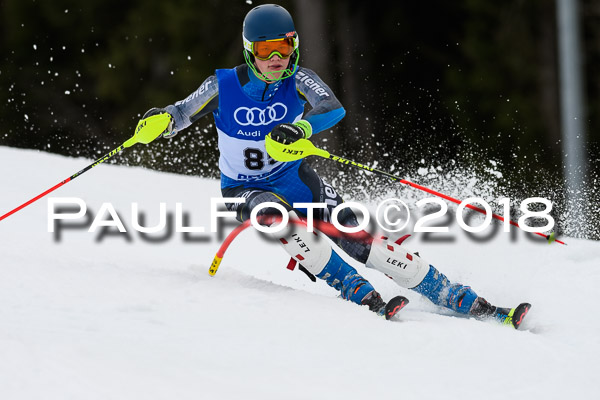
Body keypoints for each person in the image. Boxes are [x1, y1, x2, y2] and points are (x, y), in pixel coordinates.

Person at [138, 4, 529, 327]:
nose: (277, 59)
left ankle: (458, 297)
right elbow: (182, 112)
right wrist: (163, 121)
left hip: (295, 178)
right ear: (248, 51)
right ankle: (355, 290)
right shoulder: (223, 84)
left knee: (362, 243)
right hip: (244, 189)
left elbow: (332, 107)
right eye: (265, 49)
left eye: (285, 46)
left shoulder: (300, 78)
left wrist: (302, 125)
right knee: (277, 218)